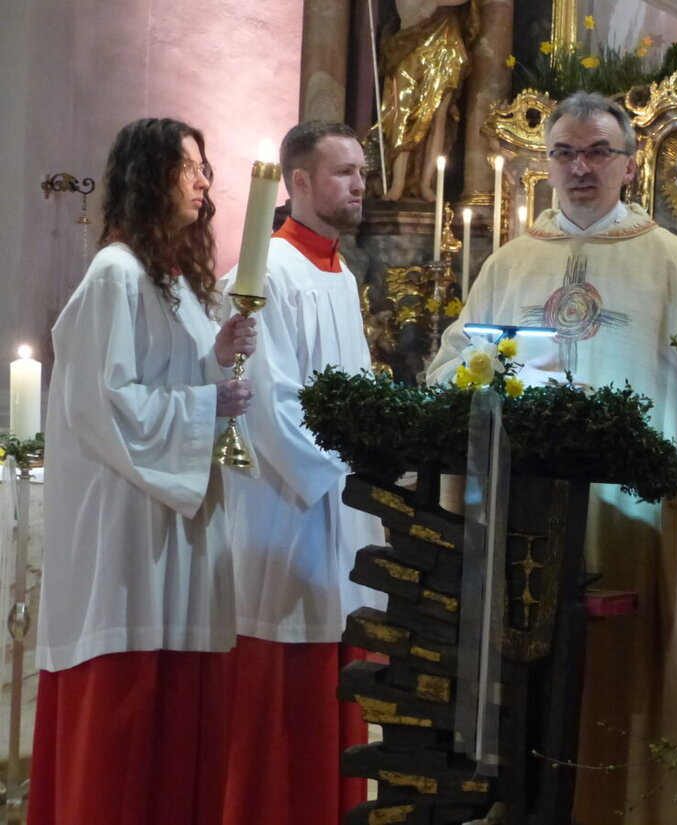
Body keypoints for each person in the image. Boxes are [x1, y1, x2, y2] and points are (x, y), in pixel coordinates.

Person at [427, 91, 677, 825]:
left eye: (599, 152)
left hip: (633, 527)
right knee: (527, 686)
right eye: (566, 153)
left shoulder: (672, 264)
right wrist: (471, 378)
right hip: (520, 516)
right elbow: (451, 367)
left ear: (630, 166)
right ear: (545, 164)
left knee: (622, 680)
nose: (581, 168)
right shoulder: (509, 264)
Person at [29, 117, 255, 825]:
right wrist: (205, 402)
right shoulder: (115, 275)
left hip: (173, 531)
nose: (204, 181)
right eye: (189, 167)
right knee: (124, 741)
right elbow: (105, 404)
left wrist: (214, 356)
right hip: (128, 536)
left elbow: (168, 378)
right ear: (149, 175)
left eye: (204, 168)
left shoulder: (173, 283)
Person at [220, 120, 387, 825]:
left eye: (360, 171)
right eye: (344, 171)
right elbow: (267, 410)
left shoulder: (341, 274)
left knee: (337, 697)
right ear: (297, 183)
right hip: (286, 520)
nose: (359, 183)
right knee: (280, 710)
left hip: (339, 522)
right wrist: (349, 470)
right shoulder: (260, 276)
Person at [379, 0, 473, 201]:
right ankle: (398, 183)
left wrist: (436, 2)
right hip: (411, 39)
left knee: (438, 118)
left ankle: (426, 183)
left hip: (445, 41)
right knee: (403, 113)